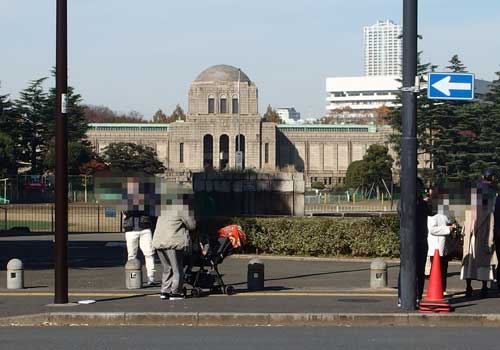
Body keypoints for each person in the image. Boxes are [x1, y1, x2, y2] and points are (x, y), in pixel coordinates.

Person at [461, 169, 498, 298]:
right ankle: (483, 288)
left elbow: (468, 211)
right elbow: (491, 212)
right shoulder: (492, 192)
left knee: (469, 259)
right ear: (492, 177)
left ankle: (468, 287)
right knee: (484, 260)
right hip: (484, 228)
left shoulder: (474, 190)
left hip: (471, 229)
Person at [153, 192, 196, 300]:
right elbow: (192, 225)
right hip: (172, 242)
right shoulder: (183, 208)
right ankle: (175, 292)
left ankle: (165, 291)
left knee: (167, 268)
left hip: (158, 241)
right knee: (177, 269)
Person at [398, 177, 431, 308]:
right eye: (415, 187)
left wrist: (429, 200)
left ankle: (418, 296)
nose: (417, 190)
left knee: (420, 271)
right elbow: (401, 212)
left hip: (421, 240)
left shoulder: (423, 203)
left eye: (419, 187)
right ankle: (402, 296)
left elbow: (431, 212)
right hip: (408, 241)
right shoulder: (403, 202)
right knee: (405, 269)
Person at [122, 177, 157, 286]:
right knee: (131, 254)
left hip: (144, 227)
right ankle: (132, 277)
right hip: (131, 228)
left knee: (149, 253)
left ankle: (151, 277)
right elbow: (126, 210)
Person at [427, 192, 456, 295]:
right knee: (436, 270)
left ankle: (443, 289)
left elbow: (447, 222)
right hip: (436, 246)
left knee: (444, 269)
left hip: (444, 246)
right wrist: (448, 228)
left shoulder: (444, 213)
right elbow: (432, 229)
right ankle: (436, 290)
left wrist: (451, 226)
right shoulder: (432, 214)